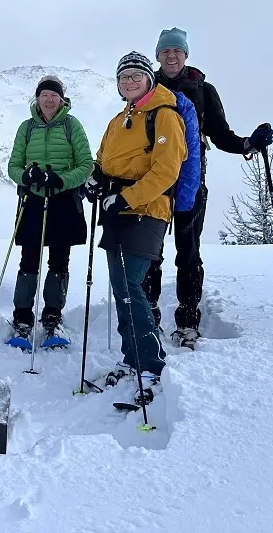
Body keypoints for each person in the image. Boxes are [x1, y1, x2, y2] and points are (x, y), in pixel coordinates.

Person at [146, 27, 273, 348]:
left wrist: (248, 143)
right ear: (157, 56)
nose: (171, 56)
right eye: (165, 52)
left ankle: (188, 321)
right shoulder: (147, 88)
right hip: (152, 183)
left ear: (185, 54)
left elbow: (220, 135)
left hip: (191, 182)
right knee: (150, 253)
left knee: (188, 254)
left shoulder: (203, 90)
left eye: (177, 51)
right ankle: (147, 319)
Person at [86, 52, 187, 405]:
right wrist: (96, 180)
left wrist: (127, 197)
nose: (129, 82)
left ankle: (150, 365)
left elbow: (167, 169)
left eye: (135, 76)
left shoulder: (164, 115)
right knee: (121, 287)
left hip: (147, 210)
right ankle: (134, 360)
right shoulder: (119, 120)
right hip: (118, 209)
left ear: (149, 79)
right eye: (123, 77)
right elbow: (104, 160)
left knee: (130, 283)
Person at [5, 74, 93, 350]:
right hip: (32, 200)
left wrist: (62, 180)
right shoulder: (26, 128)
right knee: (28, 260)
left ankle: (53, 317)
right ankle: (22, 318)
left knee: (59, 261)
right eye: (45, 94)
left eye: (54, 95)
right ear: (37, 98)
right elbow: (13, 166)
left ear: (61, 98)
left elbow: (86, 164)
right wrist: (26, 176)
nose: (49, 99)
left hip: (63, 200)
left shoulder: (71, 125)